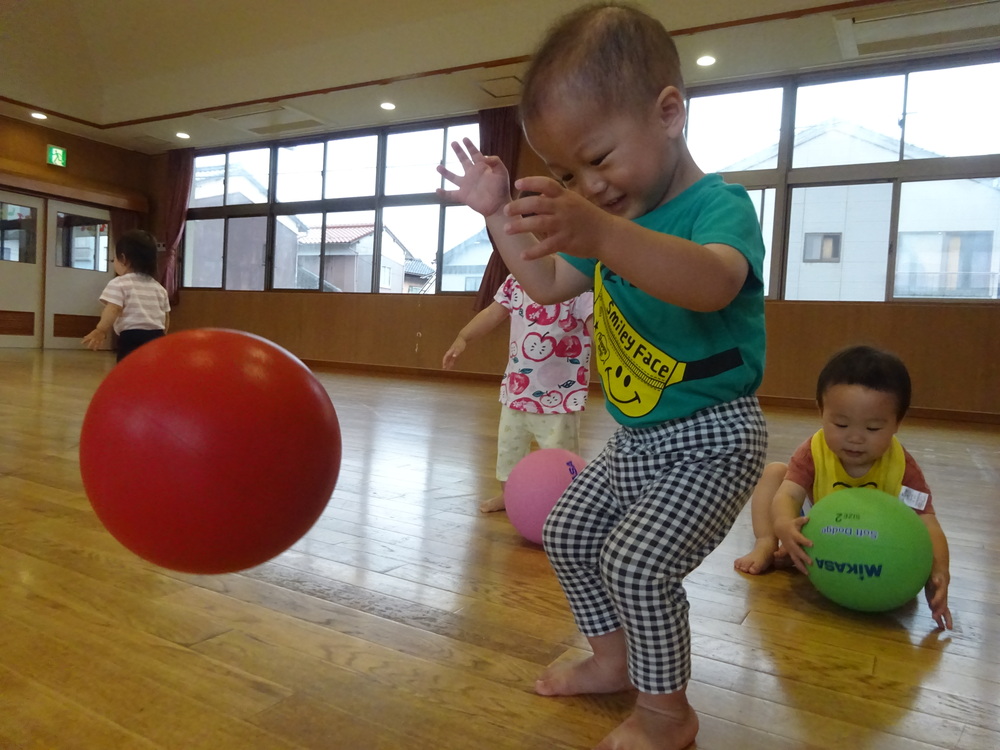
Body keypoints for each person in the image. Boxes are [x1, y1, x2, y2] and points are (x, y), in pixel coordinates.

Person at [437, 4, 768, 748]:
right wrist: (496, 216)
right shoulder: (608, 222)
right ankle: (613, 661)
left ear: (669, 113)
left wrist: (605, 234)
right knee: (568, 530)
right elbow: (545, 282)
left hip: (714, 440)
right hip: (636, 439)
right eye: (567, 174)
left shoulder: (717, 206)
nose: (589, 186)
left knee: (638, 564)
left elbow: (713, 283)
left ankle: (667, 714)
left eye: (599, 158)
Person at [734, 344, 953, 630]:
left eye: (872, 428)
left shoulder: (902, 467)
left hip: (871, 543)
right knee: (775, 473)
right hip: (815, 523)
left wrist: (939, 570)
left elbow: (927, 522)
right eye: (840, 424)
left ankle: (795, 553)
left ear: (897, 422)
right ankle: (767, 543)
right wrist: (784, 523)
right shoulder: (813, 451)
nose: (855, 438)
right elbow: (789, 494)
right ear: (821, 411)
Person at [443, 272, 594, 513]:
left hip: (560, 398)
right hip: (517, 391)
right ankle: (509, 495)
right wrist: (463, 337)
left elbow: (594, 324)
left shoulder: (576, 283)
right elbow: (492, 313)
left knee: (560, 456)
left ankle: (567, 502)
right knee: (509, 452)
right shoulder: (516, 280)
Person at [82, 229, 170, 362]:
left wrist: (101, 330)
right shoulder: (159, 288)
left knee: (128, 367)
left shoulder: (119, 283)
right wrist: (163, 335)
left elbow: (113, 309)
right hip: (156, 335)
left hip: (131, 336)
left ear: (123, 259)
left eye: (114, 259)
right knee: (151, 368)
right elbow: (166, 316)